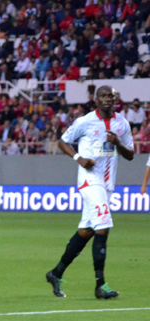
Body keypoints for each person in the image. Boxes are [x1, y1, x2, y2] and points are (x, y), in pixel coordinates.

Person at [46, 86, 134, 299]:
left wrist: (118, 143)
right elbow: (62, 141)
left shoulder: (122, 124)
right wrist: (79, 159)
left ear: (115, 99)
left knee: (87, 230)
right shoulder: (85, 121)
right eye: (102, 96)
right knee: (103, 226)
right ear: (96, 100)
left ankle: (55, 273)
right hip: (89, 181)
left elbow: (130, 154)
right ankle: (100, 285)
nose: (107, 99)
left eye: (110, 96)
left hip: (106, 185)